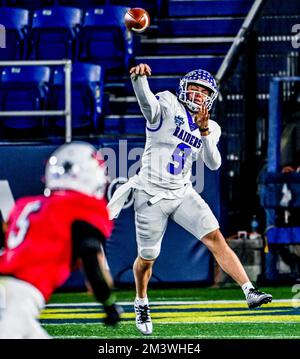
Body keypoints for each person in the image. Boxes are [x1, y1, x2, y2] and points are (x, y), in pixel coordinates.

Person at [107, 63, 272, 336]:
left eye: (203, 90)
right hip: (151, 194)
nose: (197, 94)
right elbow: (147, 105)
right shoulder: (168, 103)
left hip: (182, 190)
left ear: (211, 97)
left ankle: (249, 291)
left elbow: (213, 163)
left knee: (215, 237)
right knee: (147, 259)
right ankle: (141, 301)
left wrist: (205, 132)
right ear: (184, 88)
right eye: (194, 87)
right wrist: (138, 80)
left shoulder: (212, 127)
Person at [0, 142, 122, 339]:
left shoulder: (26, 205)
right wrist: (108, 303)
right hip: (19, 297)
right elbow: (91, 258)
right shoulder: (83, 207)